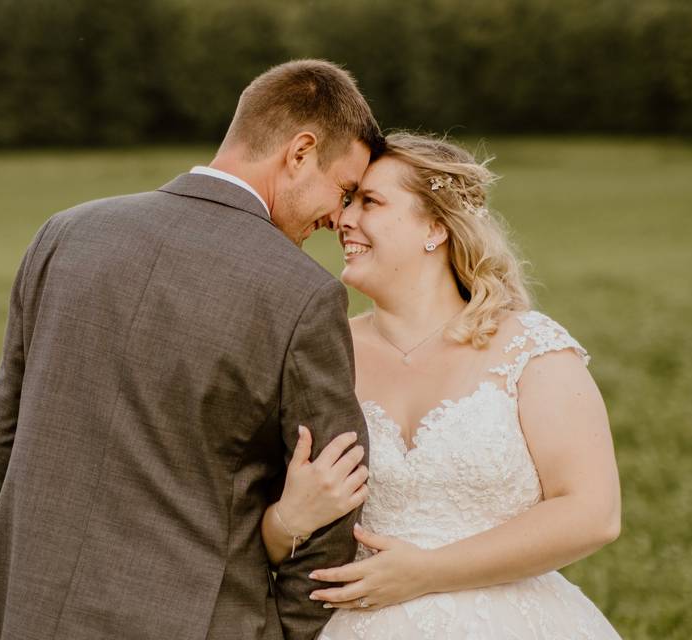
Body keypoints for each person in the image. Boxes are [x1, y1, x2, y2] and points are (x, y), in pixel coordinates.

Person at [0, 59, 383, 640]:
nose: (339, 218)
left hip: (28, 609)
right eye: (344, 191)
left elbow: (6, 436)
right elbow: (337, 492)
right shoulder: (302, 294)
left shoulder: (64, 233)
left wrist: (38, 560)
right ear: (300, 152)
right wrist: (284, 629)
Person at [263, 133, 622, 638]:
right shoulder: (322, 353)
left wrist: (428, 571)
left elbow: (593, 513)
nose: (343, 219)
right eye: (347, 201)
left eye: (370, 202)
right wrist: (286, 521)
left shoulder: (532, 350)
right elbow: (257, 529)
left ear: (435, 226)